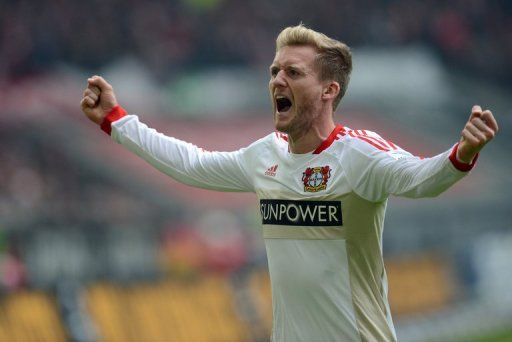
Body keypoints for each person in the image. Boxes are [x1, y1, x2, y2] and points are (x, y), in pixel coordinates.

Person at [80, 25, 498, 342]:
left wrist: (460, 154)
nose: (278, 80)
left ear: (329, 90)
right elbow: (191, 164)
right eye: (275, 70)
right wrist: (118, 121)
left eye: (293, 72)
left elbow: (421, 179)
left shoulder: (359, 155)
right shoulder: (265, 155)